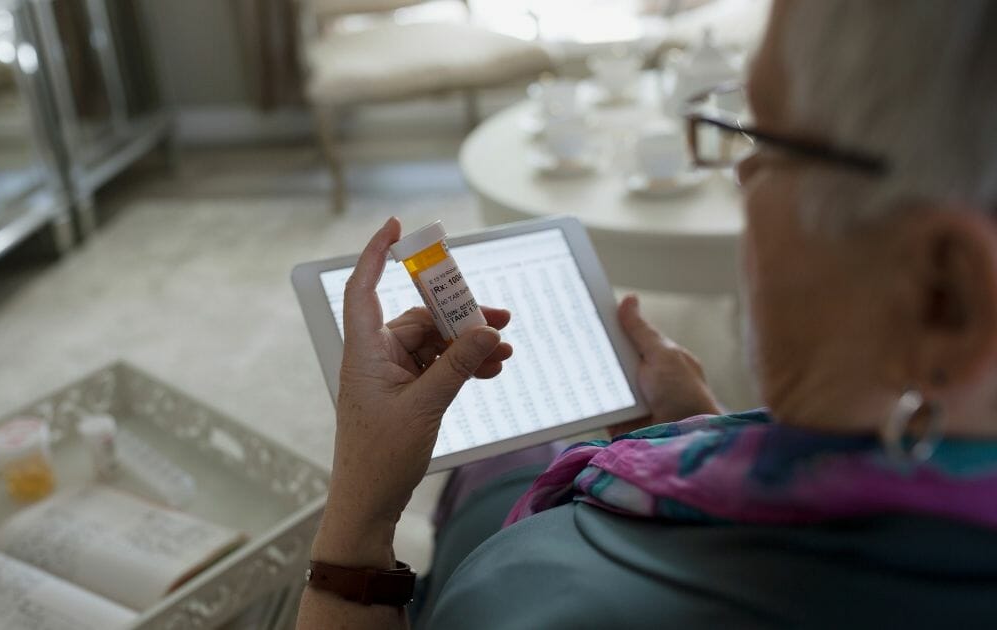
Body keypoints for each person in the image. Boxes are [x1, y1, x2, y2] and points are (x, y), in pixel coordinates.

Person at [297, 1, 997, 627]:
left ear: (944, 295)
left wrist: (360, 516)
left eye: (771, 144)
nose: (742, 175)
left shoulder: (536, 612)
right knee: (524, 445)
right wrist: (694, 429)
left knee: (506, 454)